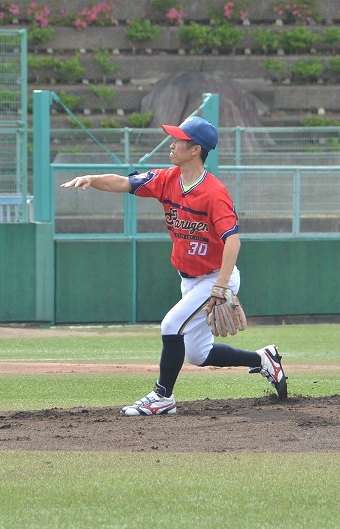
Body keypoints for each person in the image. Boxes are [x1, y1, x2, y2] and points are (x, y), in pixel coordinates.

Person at [60, 116, 286, 416]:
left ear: (195, 149)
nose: (172, 144)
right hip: (189, 280)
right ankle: (263, 360)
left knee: (170, 325)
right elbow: (125, 182)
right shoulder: (167, 179)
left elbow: (233, 241)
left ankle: (162, 397)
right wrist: (92, 179)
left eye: (179, 140)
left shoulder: (214, 193)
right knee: (198, 354)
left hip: (216, 278)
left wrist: (221, 286)